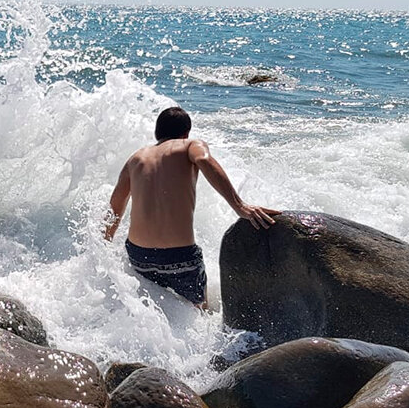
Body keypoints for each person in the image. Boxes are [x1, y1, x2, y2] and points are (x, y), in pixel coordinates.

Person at [103, 106, 279, 308]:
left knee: (152, 309)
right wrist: (240, 206)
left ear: (157, 133)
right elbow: (204, 159)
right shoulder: (190, 145)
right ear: (186, 133)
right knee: (199, 312)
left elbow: (116, 206)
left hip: (139, 255)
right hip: (180, 257)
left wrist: (103, 246)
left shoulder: (136, 158)